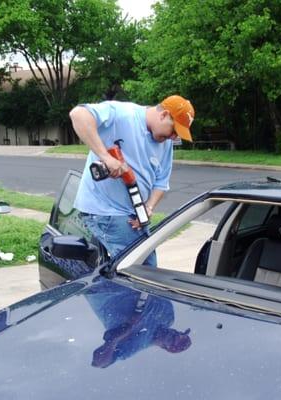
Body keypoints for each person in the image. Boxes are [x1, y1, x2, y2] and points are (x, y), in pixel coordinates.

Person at [69, 95, 195, 267]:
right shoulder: (123, 114)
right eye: (174, 130)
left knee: (143, 266)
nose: (173, 137)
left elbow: (161, 182)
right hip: (108, 212)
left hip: (134, 213)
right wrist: (105, 156)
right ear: (164, 115)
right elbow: (78, 114)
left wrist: (148, 207)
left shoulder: (165, 144)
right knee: (141, 269)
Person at [85, 280, 192, 368]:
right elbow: (159, 286)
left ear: (165, 347)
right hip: (128, 275)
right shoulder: (168, 315)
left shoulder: (136, 345)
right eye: (177, 332)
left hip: (98, 288)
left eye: (172, 338)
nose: (171, 332)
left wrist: (117, 337)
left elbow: (99, 363)